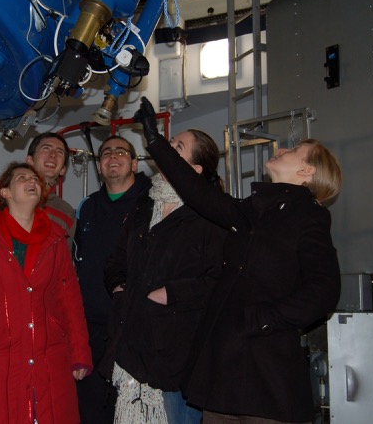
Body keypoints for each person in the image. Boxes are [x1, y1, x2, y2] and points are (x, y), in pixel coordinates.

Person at [134, 97, 343, 424]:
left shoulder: (308, 217)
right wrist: (155, 140)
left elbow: (324, 289)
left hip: (266, 376)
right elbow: (198, 193)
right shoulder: (251, 212)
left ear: (307, 171)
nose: (281, 151)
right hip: (223, 374)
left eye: (292, 151)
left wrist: (265, 318)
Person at [0, 162, 92, 424]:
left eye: (35, 179)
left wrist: (80, 353)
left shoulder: (56, 238)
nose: (32, 182)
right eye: (22, 178)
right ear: (5, 193)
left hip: (50, 356)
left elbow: (70, 300)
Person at [104, 129, 227, 424]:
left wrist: (171, 293)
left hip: (181, 354)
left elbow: (221, 281)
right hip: (133, 344)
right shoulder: (145, 204)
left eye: (178, 147)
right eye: (170, 144)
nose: (167, 150)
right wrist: (119, 287)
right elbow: (117, 260)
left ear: (196, 169)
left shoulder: (212, 214)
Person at [74, 135, 152, 423]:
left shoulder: (152, 202)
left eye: (121, 151)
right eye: (106, 153)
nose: (112, 156)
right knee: (91, 411)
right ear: (100, 166)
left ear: (133, 163)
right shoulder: (88, 208)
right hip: (91, 331)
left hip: (135, 328)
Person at [0, 132, 75, 280]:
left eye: (59, 152)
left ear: (63, 170)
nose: (53, 155)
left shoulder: (66, 213)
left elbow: (63, 269)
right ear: (30, 160)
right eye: (46, 149)